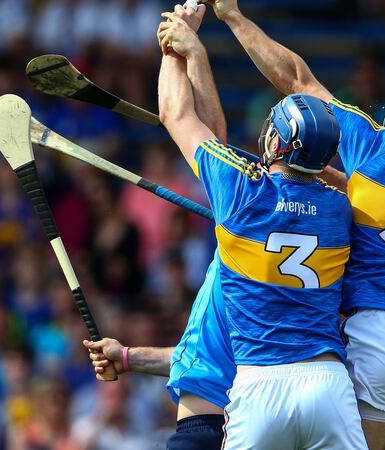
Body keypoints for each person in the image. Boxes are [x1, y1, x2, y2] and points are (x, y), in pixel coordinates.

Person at [203, 1, 385, 448]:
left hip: (380, 325)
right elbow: (381, 203)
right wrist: (326, 177)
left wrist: (234, 18)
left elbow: (297, 79)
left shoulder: (378, 146)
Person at [154, 14, 366, 448]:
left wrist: (176, 47)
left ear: (274, 141)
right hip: (328, 382)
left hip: (260, 383)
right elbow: (352, 188)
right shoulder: (343, 208)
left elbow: (174, 113)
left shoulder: (239, 189)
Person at [85, 4, 241, 449]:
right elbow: (199, 358)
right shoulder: (306, 230)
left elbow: (188, 123)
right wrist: (128, 356)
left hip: (210, 428)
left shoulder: (248, 210)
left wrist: (180, 47)